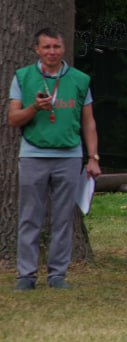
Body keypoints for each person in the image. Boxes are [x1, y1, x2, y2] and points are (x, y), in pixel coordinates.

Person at [9, 29, 102, 290]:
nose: (52, 52)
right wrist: (34, 108)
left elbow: (89, 121)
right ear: (37, 50)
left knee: (62, 218)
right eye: (47, 47)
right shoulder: (23, 77)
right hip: (33, 155)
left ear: (64, 49)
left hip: (69, 155)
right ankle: (26, 275)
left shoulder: (80, 80)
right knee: (30, 217)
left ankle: (57, 274)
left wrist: (92, 157)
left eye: (57, 47)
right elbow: (13, 119)